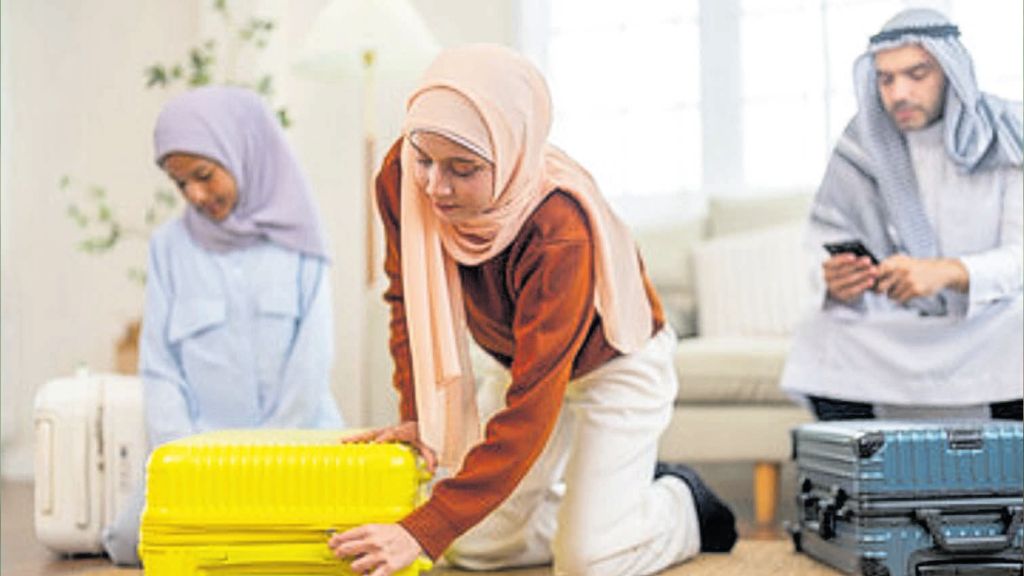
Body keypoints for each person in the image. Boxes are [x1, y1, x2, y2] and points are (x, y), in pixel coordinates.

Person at [326, 44, 737, 576]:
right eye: (424, 159)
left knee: (588, 564)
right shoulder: (402, 176)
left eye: (463, 169)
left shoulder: (559, 228)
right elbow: (407, 298)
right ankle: (593, 514)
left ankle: (681, 503)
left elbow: (533, 403)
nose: (434, 186)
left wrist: (424, 528)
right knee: (472, 547)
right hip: (515, 359)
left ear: (510, 155)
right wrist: (417, 413)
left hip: (614, 361)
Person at [101, 86, 344, 565]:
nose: (195, 194)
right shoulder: (169, 247)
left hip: (297, 444)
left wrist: (265, 457)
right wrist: (188, 459)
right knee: (130, 542)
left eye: (204, 175)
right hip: (199, 458)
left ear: (240, 152)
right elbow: (160, 368)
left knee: (340, 543)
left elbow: (311, 363)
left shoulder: (300, 240)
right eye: (180, 184)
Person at [780, 8, 1023, 421]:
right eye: (886, 79)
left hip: (989, 314)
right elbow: (824, 240)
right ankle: (861, 461)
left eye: (917, 74)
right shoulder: (863, 145)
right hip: (904, 319)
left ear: (951, 71)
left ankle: (1007, 460)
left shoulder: (1006, 132)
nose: (899, 94)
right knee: (821, 330)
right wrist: (839, 282)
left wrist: (949, 272)